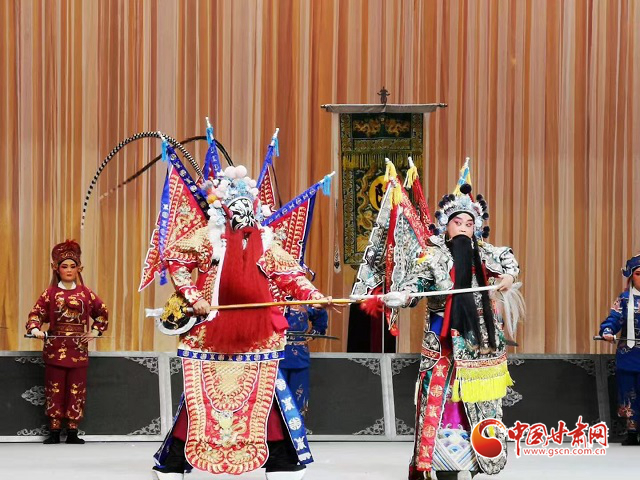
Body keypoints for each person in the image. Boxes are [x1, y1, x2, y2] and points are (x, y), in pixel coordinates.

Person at [150, 165, 328, 480]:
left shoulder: (266, 242)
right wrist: (193, 295)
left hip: (257, 336)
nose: (244, 214)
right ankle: (175, 461)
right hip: (209, 332)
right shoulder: (207, 238)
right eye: (237, 207)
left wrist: (313, 295)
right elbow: (176, 261)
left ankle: (282, 461)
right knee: (200, 397)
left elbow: (290, 275)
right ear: (224, 209)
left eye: (249, 207)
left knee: (266, 395)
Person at [379, 183, 521, 480]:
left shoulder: (485, 254)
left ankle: (476, 459)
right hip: (442, 340)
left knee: (480, 402)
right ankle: (437, 463)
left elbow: (509, 261)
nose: (464, 228)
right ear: (446, 226)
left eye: (469, 223)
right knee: (438, 399)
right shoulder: (432, 256)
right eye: (458, 222)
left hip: (479, 342)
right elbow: (415, 286)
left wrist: (508, 276)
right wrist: (402, 296)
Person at [26, 240, 108, 444]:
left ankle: (72, 430)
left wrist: (95, 331)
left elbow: (102, 313)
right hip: (55, 349)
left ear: (79, 268)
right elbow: (35, 314)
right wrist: (35, 330)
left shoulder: (86, 294)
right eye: (65, 266)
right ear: (56, 268)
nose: (69, 270)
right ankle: (54, 430)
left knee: (76, 389)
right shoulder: (50, 294)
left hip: (78, 349)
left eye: (73, 266)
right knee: (54, 389)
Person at [599, 253, 640, 446]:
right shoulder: (624, 299)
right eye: (639, 274)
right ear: (631, 277)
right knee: (628, 391)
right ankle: (632, 431)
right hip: (629, 355)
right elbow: (614, 319)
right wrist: (607, 331)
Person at [280, 305, 328, 416]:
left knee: (298, 397)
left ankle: (298, 424)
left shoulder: (305, 299)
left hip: (299, 355)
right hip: (275, 356)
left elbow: (320, 313)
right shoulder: (272, 298)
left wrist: (314, 333)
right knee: (275, 397)